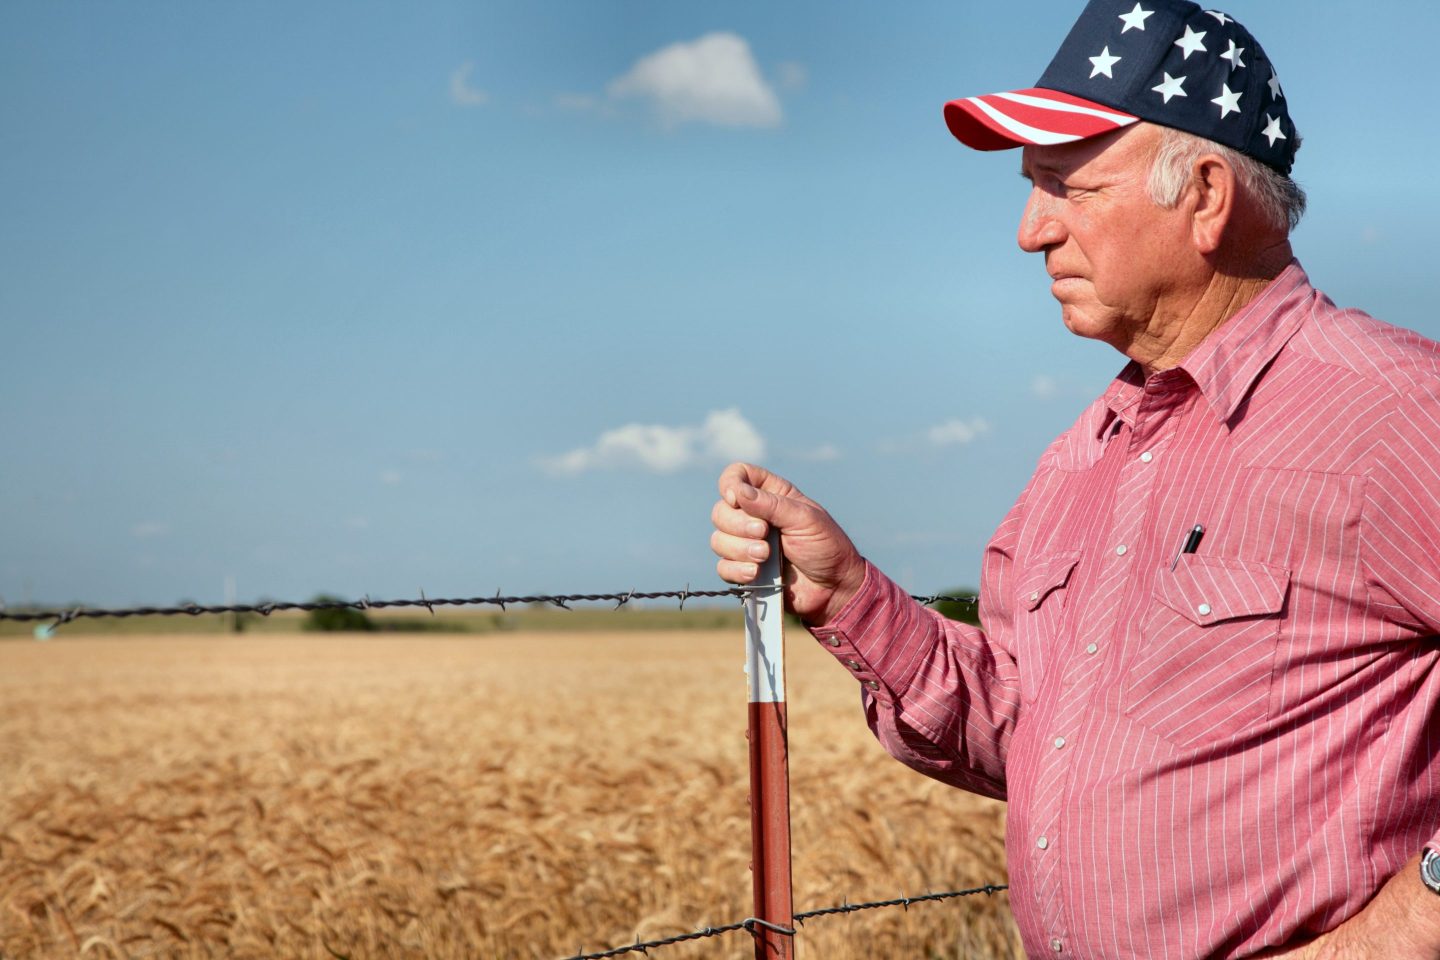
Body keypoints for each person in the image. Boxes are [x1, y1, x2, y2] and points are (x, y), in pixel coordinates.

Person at [709, 1, 1440, 957]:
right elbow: (1025, 727)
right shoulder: (1081, 458)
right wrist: (849, 594)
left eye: (1070, 187)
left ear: (1206, 196)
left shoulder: (1396, 411)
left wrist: (1403, 926)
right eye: (1032, 188)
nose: (1030, 231)